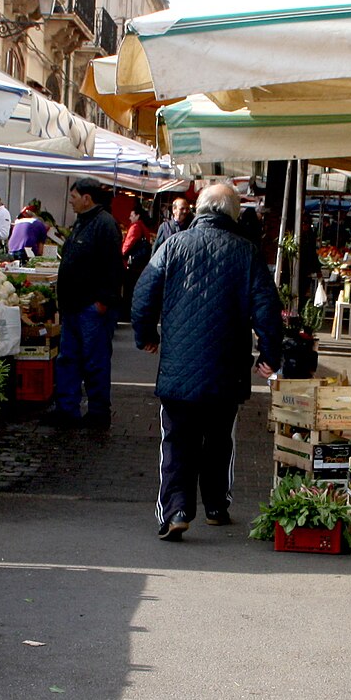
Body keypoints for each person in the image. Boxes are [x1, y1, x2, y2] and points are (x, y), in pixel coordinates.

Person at [133, 183, 282, 541]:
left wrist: (146, 337)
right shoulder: (246, 252)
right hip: (226, 370)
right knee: (219, 439)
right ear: (233, 213)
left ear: (199, 209)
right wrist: (270, 355)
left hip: (178, 368)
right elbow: (268, 310)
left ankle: (177, 510)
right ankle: (216, 506)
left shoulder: (172, 245)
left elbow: (142, 296)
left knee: (177, 439)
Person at [49, 178, 122, 427]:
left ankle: (99, 413)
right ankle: (66, 410)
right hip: (73, 307)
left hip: (91, 308)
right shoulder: (83, 222)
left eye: (73, 197)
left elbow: (113, 266)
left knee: (95, 361)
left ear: (87, 198)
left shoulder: (104, 224)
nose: (71, 202)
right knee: (68, 359)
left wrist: (102, 301)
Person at [122, 210, 154, 318]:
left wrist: (121, 255)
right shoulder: (144, 227)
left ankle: (126, 313)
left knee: (128, 290)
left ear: (137, 215)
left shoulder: (135, 227)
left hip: (131, 264)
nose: (130, 218)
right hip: (140, 265)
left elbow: (127, 245)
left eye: (131, 215)